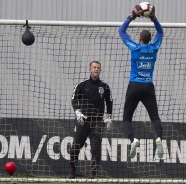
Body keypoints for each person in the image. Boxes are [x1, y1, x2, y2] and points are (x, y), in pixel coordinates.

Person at [118, 5, 164, 159]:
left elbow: (121, 31)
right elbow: (161, 32)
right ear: (150, 40)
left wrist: (132, 16)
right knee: (155, 117)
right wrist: (154, 18)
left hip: (134, 85)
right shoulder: (154, 48)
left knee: (126, 118)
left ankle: (133, 140)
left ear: (140, 39)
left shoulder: (135, 47)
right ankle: (158, 138)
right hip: (148, 86)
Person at [69, 61, 113, 179]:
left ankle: (93, 175)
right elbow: (74, 99)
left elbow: (109, 102)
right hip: (82, 121)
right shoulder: (81, 85)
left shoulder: (105, 87)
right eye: (94, 67)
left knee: (96, 150)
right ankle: (72, 171)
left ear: (100, 70)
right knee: (75, 147)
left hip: (97, 122)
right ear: (90, 69)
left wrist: (108, 117)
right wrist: (77, 112)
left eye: (98, 68)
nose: (96, 69)